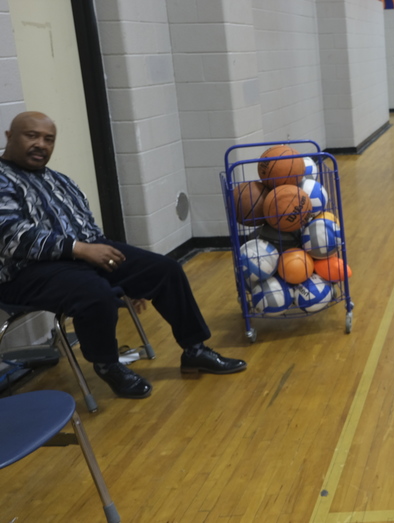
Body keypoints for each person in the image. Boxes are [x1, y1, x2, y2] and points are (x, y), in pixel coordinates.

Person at [0, 111, 246, 400]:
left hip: (82, 257)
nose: (41, 144)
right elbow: (10, 236)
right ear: (9, 137)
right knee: (96, 294)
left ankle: (194, 350)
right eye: (32, 136)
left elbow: (88, 229)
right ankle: (108, 365)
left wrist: (123, 273)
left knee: (164, 270)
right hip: (27, 272)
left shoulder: (60, 181)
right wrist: (81, 250)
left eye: (48, 139)